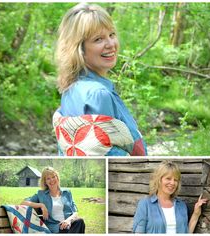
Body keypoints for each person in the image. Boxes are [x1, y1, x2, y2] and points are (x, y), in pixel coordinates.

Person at [53, 3, 147, 156]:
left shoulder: (71, 88)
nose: (111, 44)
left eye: (111, 35)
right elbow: (107, 156)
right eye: (98, 39)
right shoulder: (98, 94)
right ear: (79, 49)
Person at [133, 160, 208, 233]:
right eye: (168, 178)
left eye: (175, 180)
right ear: (159, 180)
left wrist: (196, 214)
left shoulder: (181, 206)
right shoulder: (145, 205)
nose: (172, 183)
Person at [21, 167, 85, 233]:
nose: (52, 180)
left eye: (53, 177)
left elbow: (75, 212)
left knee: (80, 221)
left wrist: (68, 220)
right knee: (66, 229)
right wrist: (41, 205)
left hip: (70, 224)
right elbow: (24, 202)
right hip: (56, 227)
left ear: (57, 177)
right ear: (45, 182)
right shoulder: (41, 194)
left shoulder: (67, 193)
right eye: (48, 178)